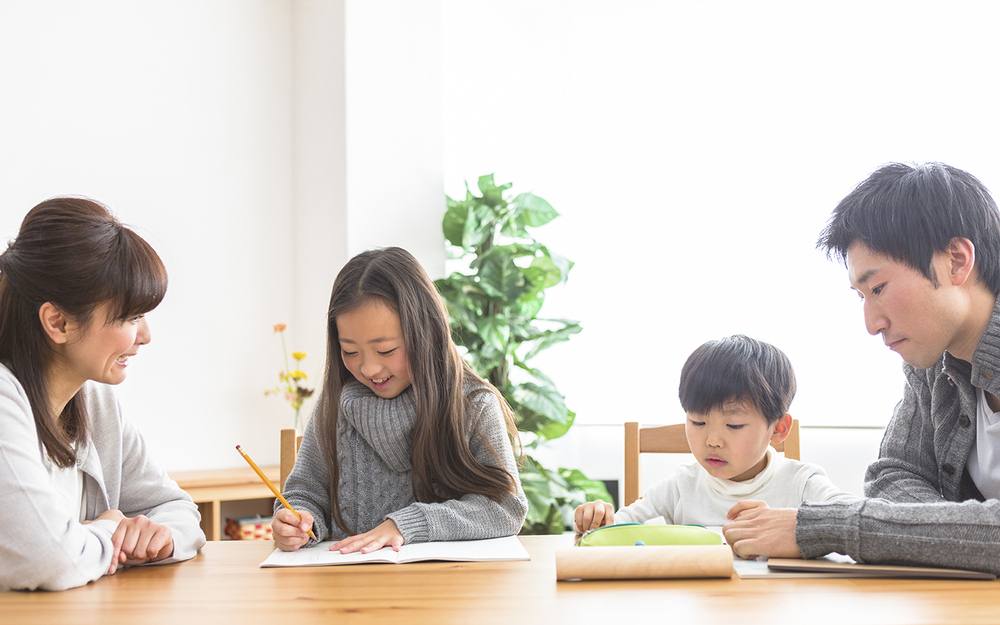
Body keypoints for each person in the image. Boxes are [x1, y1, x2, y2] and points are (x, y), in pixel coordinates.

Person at [723, 162, 1000, 575]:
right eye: (861, 296)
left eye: (879, 288)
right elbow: (893, 474)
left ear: (957, 261)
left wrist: (834, 527)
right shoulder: (933, 361)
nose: (872, 324)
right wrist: (949, 535)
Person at [0, 197, 205, 592]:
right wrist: (111, 527)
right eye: (130, 317)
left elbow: (177, 509)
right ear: (57, 322)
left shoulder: (95, 403)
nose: (145, 336)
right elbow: (50, 560)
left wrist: (158, 539)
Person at [272, 247, 527, 553]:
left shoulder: (473, 404)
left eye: (386, 350)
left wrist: (406, 525)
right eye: (350, 351)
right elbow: (305, 492)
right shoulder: (334, 405)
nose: (368, 368)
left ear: (427, 333)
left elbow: (506, 508)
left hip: (448, 591)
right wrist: (299, 520)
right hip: (347, 588)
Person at [575, 335, 855, 533]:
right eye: (697, 422)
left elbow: (855, 518)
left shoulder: (802, 483)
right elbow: (617, 528)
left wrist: (795, 521)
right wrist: (597, 519)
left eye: (733, 426)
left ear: (778, 429)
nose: (712, 440)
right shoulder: (681, 486)